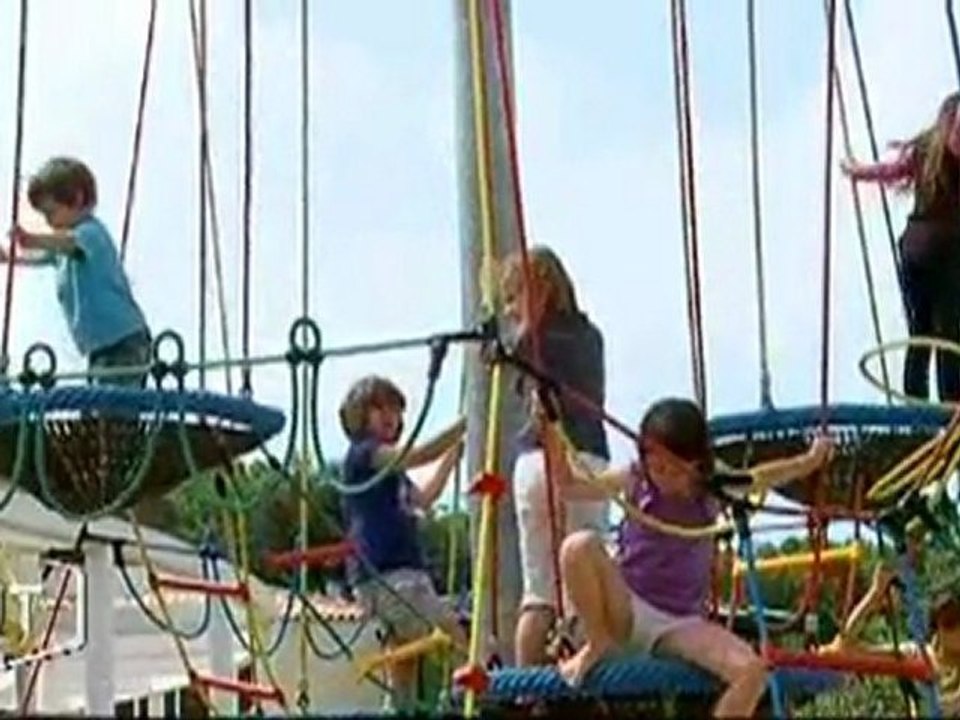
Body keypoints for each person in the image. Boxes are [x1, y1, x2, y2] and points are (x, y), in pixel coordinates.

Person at [542, 397, 833, 719]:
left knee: (752, 672)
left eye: (671, 469)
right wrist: (551, 428)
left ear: (695, 463)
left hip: (679, 623)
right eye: (655, 468)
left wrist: (810, 460)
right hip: (627, 607)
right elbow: (569, 486)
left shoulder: (713, 484)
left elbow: (760, 477)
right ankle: (597, 642)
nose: (662, 477)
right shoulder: (637, 477)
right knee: (578, 546)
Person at [498, 245, 610, 666]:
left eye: (515, 297)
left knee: (540, 590)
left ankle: (530, 690)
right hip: (579, 457)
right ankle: (579, 674)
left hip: (539, 457)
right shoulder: (586, 337)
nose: (510, 309)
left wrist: (526, 324)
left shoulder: (536, 341)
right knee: (582, 586)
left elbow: (504, 353)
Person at [339, 375, 466, 710]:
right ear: (360, 417)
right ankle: (465, 702)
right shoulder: (364, 455)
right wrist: (465, 424)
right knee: (453, 639)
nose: (390, 416)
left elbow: (426, 498)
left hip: (386, 577)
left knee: (403, 662)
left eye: (395, 410)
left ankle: (399, 709)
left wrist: (452, 456)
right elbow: (416, 454)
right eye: (379, 409)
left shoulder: (392, 474)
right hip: (390, 576)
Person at [842, 92, 960, 403]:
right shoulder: (928, 151)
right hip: (936, 252)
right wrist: (860, 172)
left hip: (919, 251)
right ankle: (945, 405)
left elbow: (891, 171)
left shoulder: (926, 150)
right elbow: (892, 171)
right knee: (943, 331)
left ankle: (924, 406)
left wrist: (860, 172)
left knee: (926, 331)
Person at [4, 157, 151, 387]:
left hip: (123, 340)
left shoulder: (91, 233)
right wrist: (9, 257)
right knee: (101, 399)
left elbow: (67, 242)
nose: (48, 222)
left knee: (112, 402)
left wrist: (32, 239)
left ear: (76, 199)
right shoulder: (63, 249)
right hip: (99, 345)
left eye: (51, 213)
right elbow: (41, 256)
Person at [823, 550, 960, 715]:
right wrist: (875, 594)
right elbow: (846, 648)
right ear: (936, 629)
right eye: (951, 622)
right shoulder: (916, 655)